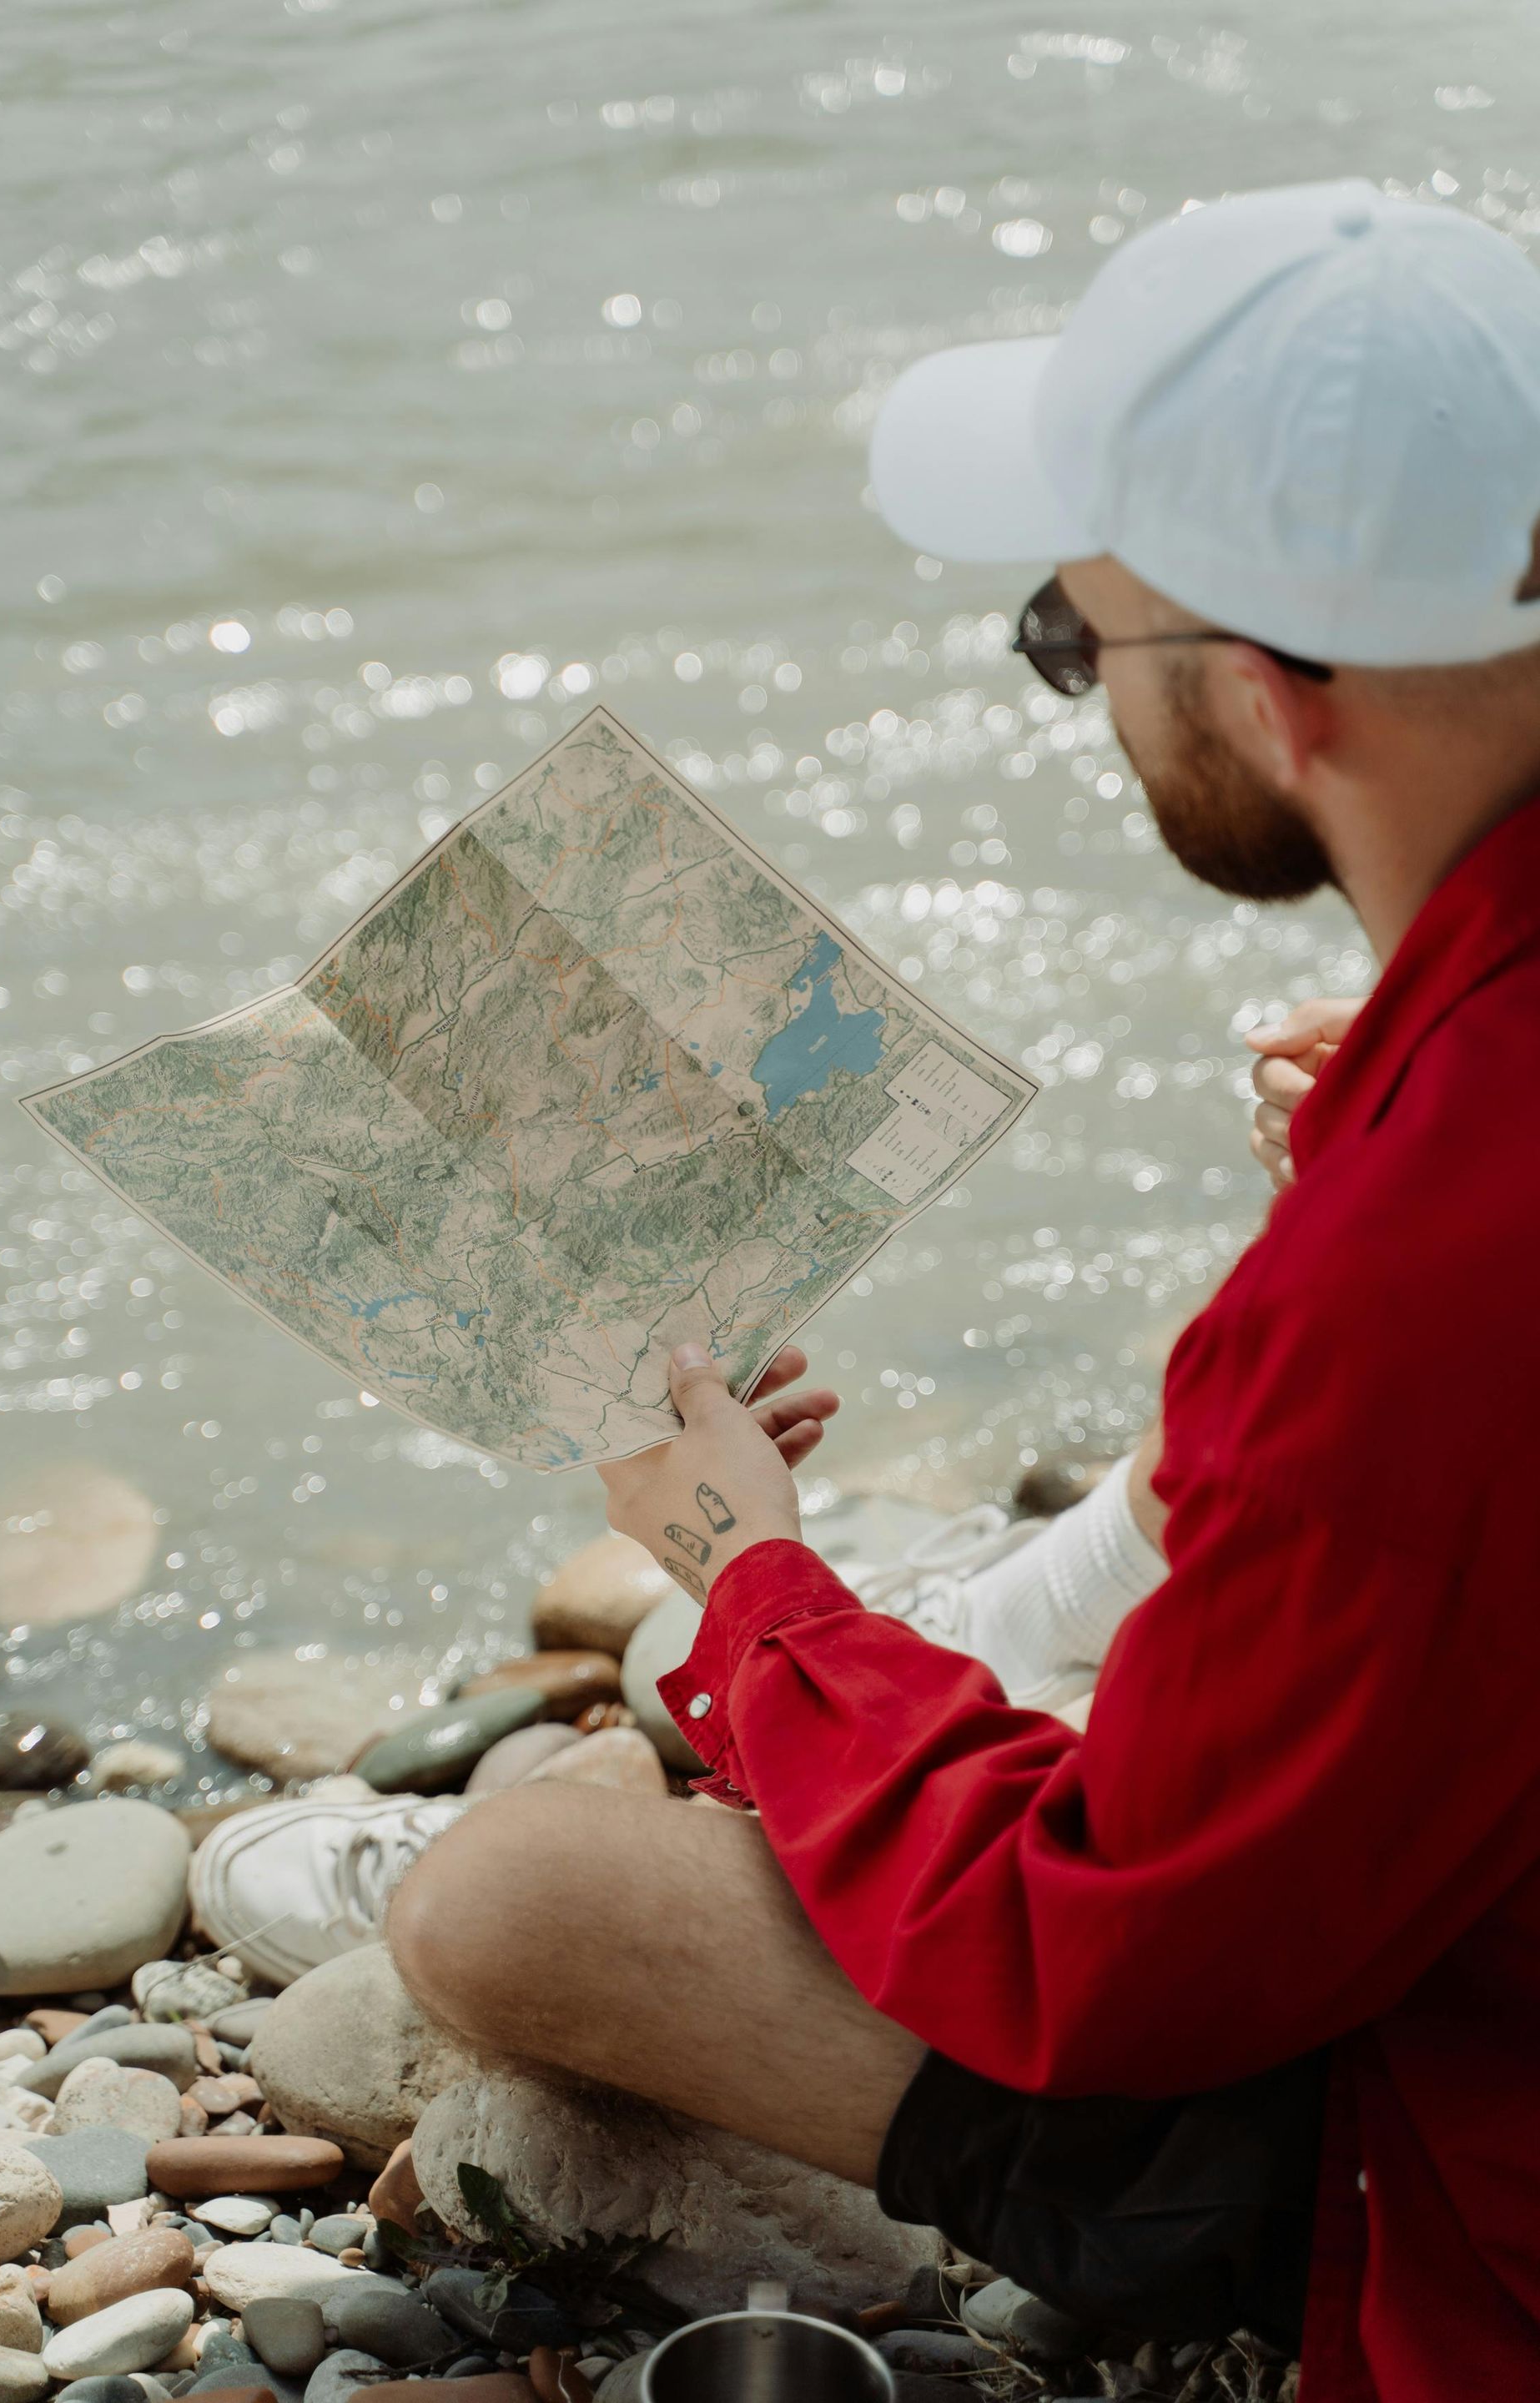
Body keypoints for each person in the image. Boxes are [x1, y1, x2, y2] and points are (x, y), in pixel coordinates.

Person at [206, 179, 1540, 2400]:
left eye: (1067, 639)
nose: (1076, 694)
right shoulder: (1445, 1154)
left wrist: (754, 1580)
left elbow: (1112, 1952)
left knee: (508, 1908)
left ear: (1283, 693)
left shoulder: (1433, 1265)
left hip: (1461, 2156)